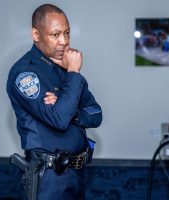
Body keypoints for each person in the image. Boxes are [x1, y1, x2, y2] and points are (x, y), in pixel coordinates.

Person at [6, 4, 102, 200]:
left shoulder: (65, 68)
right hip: (49, 177)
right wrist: (74, 73)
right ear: (36, 34)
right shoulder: (25, 73)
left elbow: (96, 114)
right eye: (55, 35)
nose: (64, 42)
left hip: (77, 172)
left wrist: (73, 112)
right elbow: (58, 119)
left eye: (67, 33)